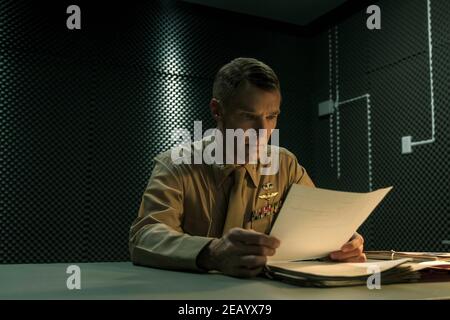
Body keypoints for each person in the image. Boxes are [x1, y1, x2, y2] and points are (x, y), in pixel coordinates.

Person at [129, 57, 366, 278]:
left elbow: (322, 221)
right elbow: (145, 236)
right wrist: (211, 252)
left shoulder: (286, 165)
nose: (263, 132)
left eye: (272, 116)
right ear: (217, 110)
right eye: (248, 116)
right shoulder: (176, 165)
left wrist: (342, 241)